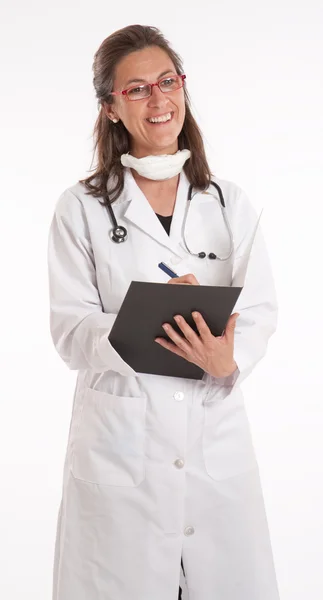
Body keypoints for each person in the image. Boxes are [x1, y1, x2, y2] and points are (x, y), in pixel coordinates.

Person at [47, 24, 280, 600]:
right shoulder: (81, 208)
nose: (158, 100)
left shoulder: (228, 204)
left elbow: (259, 312)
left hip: (212, 438)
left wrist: (228, 360)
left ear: (184, 87)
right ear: (110, 108)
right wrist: (156, 319)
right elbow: (71, 332)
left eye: (167, 81)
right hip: (122, 450)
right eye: (136, 89)